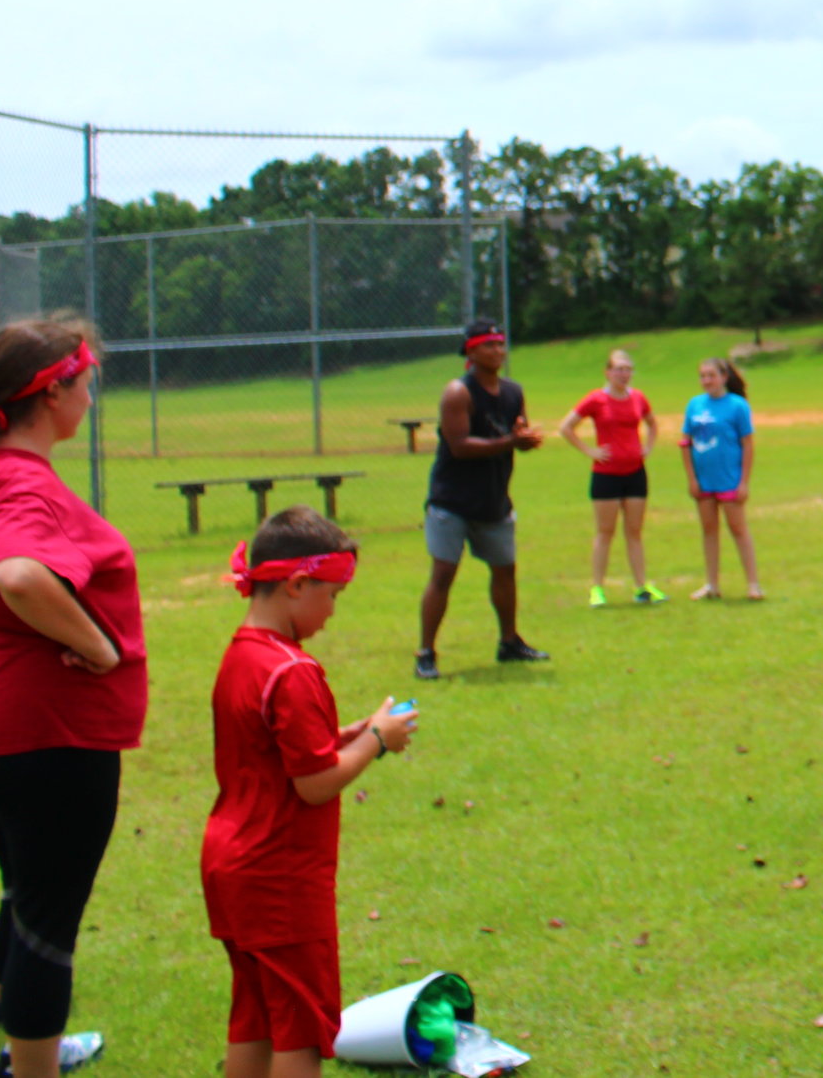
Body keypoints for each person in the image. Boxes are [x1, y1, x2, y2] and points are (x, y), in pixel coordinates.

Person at [0, 319, 144, 1078]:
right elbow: (18, 573)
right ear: (53, 392)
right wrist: (101, 645)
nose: (93, 398)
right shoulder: (16, 479)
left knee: (24, 903)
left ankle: (22, 1053)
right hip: (45, 734)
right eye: (88, 383)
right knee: (47, 927)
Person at [205, 507, 418, 1078]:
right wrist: (376, 738)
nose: (333, 610)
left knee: (255, 1015)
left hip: (233, 864)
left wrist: (342, 735)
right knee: (298, 1028)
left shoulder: (242, 655)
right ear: (297, 585)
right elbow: (315, 784)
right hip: (280, 877)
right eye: (333, 594)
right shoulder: (294, 671)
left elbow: (276, 751)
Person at [418, 319, 549, 683]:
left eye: (501, 344)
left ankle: (509, 642)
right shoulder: (457, 393)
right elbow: (459, 447)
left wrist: (524, 436)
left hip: (493, 499)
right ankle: (426, 652)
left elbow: (515, 429)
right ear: (471, 352)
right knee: (443, 574)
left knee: (505, 570)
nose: (498, 351)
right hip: (452, 501)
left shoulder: (513, 391)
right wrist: (511, 443)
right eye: (489, 345)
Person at [560, 349, 663, 607]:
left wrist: (648, 447)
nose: (624, 374)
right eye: (619, 369)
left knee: (635, 532)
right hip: (606, 475)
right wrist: (590, 451)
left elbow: (652, 423)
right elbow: (566, 427)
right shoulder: (597, 399)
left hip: (635, 473)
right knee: (605, 532)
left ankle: (642, 586)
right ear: (608, 372)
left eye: (628, 369)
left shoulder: (638, 398)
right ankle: (597, 588)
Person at [679, 358, 759, 601]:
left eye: (711, 375)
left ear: (724, 377)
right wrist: (692, 478)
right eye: (702, 376)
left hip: (729, 479)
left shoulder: (737, 406)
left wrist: (743, 482)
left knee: (738, 529)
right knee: (709, 530)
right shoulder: (694, 405)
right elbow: (685, 443)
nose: (706, 381)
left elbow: (747, 444)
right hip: (704, 480)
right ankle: (712, 584)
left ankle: (753, 584)